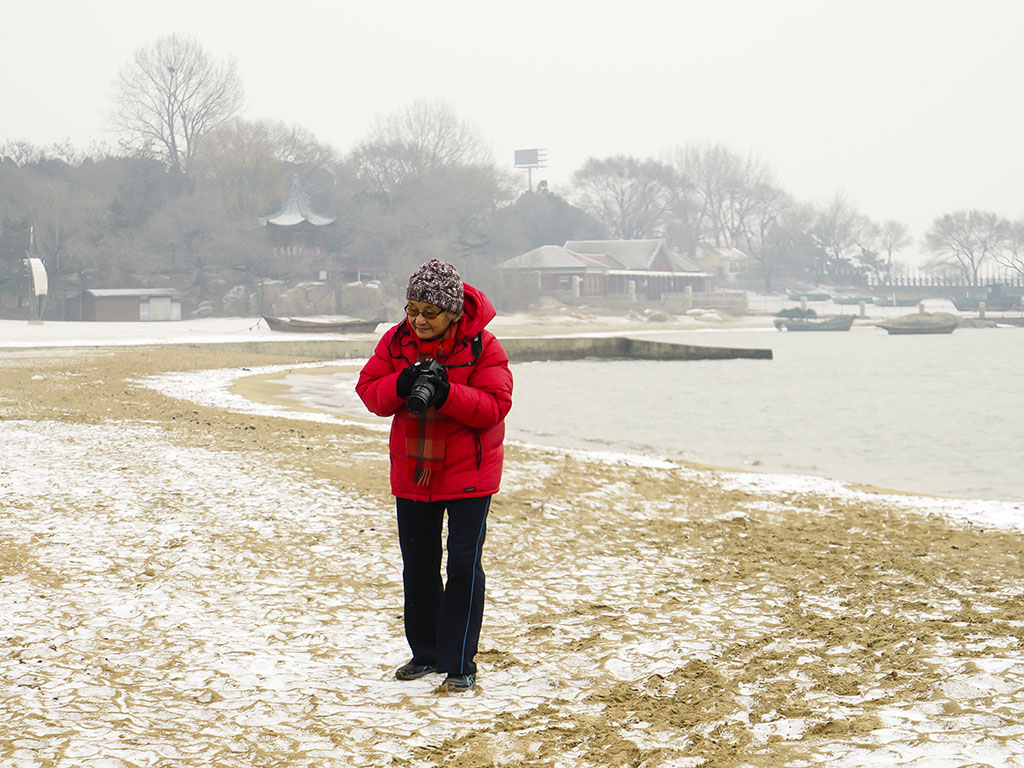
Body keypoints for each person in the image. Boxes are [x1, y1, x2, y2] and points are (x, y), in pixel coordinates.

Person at [356, 259, 513, 692]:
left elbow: (495, 406)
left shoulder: (484, 346)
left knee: (463, 567)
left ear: (454, 311)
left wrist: (446, 394)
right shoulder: (395, 342)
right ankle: (424, 655)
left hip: (470, 474)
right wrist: (401, 385)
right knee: (419, 567)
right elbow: (370, 393)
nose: (419, 320)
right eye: (412, 309)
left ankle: (460, 663)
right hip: (414, 472)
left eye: (429, 311)